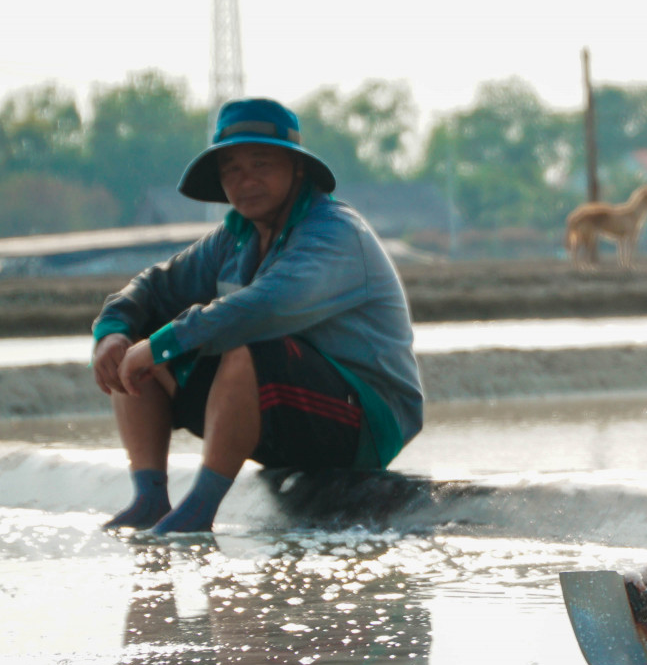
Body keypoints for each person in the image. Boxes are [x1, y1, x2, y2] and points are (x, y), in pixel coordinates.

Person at [91, 98, 424, 534]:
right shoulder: (234, 236)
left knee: (242, 343)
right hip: (283, 412)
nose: (245, 181)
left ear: (296, 169)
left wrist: (159, 345)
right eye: (231, 169)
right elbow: (156, 286)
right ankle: (150, 497)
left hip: (364, 422)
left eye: (261, 164)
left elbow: (263, 308)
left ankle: (198, 512)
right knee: (138, 341)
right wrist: (113, 330)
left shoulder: (335, 233)